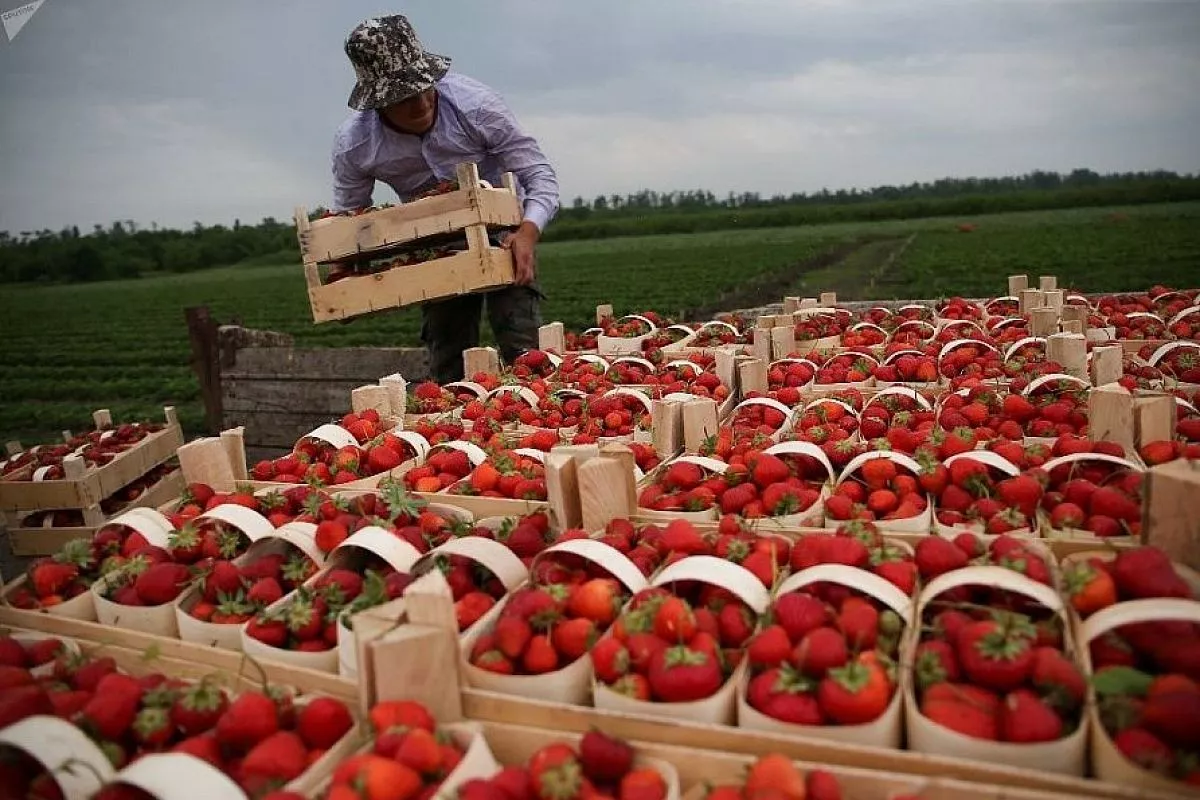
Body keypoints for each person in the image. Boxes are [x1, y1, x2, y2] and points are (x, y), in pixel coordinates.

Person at [329, 14, 560, 383]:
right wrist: (347, 282)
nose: (420, 102)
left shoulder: (476, 106)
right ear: (377, 103)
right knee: (448, 357)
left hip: (504, 232)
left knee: (523, 347)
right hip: (434, 246)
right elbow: (348, 223)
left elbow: (538, 175)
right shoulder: (356, 144)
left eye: (425, 87)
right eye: (402, 97)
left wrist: (528, 233)